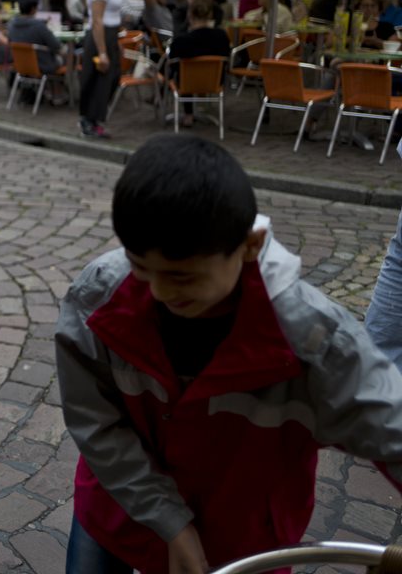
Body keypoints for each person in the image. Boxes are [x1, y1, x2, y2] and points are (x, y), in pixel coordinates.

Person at [56, 134, 402, 574]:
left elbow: (393, 427)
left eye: (182, 278)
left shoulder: (316, 341)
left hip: (241, 547)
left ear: (250, 246)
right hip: (116, 515)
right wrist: (171, 523)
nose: (159, 292)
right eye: (141, 267)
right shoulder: (98, 296)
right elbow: (96, 422)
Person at [80, 0, 124, 139]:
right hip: (101, 36)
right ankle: (88, 121)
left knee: (110, 79)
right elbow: (97, 20)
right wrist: (103, 51)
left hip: (110, 34)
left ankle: (94, 120)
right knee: (98, 80)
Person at [169, 0, 230, 128]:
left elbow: (172, 65)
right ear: (210, 15)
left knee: (181, 71)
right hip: (214, 82)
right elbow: (227, 59)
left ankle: (188, 114)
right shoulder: (221, 37)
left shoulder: (181, 40)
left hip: (186, 83)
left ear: (189, 15)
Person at [8, 0, 67, 105]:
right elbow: (56, 45)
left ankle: (48, 91)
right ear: (33, 9)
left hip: (20, 65)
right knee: (65, 57)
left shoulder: (12, 25)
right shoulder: (38, 26)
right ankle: (58, 94)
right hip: (42, 64)